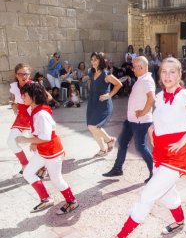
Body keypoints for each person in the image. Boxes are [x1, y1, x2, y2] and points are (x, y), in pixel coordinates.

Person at [100, 57, 186, 238]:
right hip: (160, 152)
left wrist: (185, 138)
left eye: (172, 72)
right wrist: (153, 130)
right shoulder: (160, 97)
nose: (168, 76)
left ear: (180, 75)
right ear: (159, 74)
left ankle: (119, 237)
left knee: (148, 195)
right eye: (164, 72)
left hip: (177, 155)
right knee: (166, 192)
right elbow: (159, 120)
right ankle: (179, 221)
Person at [16, 83, 79, 214]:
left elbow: (46, 138)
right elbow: (40, 133)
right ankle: (46, 199)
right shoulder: (34, 109)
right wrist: (34, 142)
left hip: (52, 152)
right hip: (43, 150)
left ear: (34, 97)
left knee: (56, 179)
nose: (22, 97)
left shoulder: (41, 114)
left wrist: (27, 140)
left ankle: (72, 201)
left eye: (25, 95)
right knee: (28, 173)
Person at [102, 56, 155, 184]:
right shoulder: (141, 79)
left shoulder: (147, 80)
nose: (132, 69)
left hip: (140, 121)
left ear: (141, 67)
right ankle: (117, 168)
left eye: (134, 66)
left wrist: (143, 112)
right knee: (122, 141)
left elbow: (152, 98)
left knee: (140, 147)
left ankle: (155, 172)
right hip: (132, 120)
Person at [87, 52, 123, 157]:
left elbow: (119, 84)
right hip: (92, 103)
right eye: (92, 59)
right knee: (91, 127)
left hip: (103, 104)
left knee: (93, 126)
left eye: (95, 59)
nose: (93, 61)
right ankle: (103, 149)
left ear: (100, 61)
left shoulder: (106, 74)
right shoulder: (91, 72)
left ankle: (109, 140)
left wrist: (109, 95)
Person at [8, 63, 33, 175]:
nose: (23, 76)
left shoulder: (34, 85)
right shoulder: (14, 86)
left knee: (37, 145)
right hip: (21, 117)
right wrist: (13, 103)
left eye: (26, 74)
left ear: (29, 74)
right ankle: (25, 164)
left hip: (34, 117)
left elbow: (47, 98)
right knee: (11, 141)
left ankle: (43, 168)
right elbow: (14, 98)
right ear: (16, 75)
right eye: (20, 74)